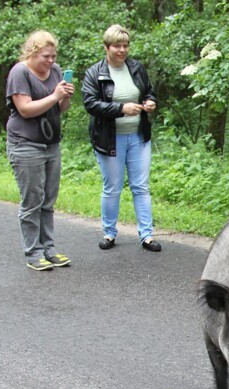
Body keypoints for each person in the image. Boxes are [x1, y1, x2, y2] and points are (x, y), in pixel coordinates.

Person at [82, 24, 161, 252]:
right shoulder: (94, 73)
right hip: (109, 139)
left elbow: (148, 91)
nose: (122, 50)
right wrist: (121, 109)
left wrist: (150, 102)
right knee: (113, 188)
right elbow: (91, 103)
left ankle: (146, 235)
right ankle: (109, 233)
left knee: (141, 187)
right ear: (106, 47)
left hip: (138, 137)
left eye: (125, 45)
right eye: (117, 46)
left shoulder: (136, 68)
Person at [6, 30, 75, 271]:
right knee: (32, 200)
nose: (51, 61)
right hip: (25, 144)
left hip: (51, 143)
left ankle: (49, 248)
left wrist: (64, 97)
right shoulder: (20, 73)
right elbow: (24, 109)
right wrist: (54, 95)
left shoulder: (55, 72)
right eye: (46, 56)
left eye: (54, 56)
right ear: (33, 52)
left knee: (48, 199)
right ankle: (33, 252)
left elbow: (59, 108)